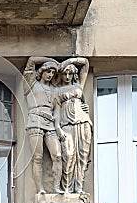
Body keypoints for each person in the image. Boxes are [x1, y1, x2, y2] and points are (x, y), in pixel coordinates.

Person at [23, 56, 63, 195]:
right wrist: (55, 62)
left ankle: (57, 187)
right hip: (35, 121)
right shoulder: (31, 83)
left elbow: (57, 110)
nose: (50, 75)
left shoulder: (55, 90)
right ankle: (40, 189)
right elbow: (32, 60)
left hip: (50, 123)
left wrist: (57, 127)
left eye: (53, 73)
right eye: (48, 71)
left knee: (57, 155)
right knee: (38, 157)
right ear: (42, 71)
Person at [54, 57, 92, 194]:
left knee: (82, 157)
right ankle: (67, 189)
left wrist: (70, 61)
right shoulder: (57, 91)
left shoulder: (79, 86)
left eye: (70, 73)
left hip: (83, 123)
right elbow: (56, 112)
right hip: (66, 125)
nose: (68, 76)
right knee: (68, 156)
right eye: (65, 73)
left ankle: (79, 188)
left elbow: (86, 64)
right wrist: (57, 128)